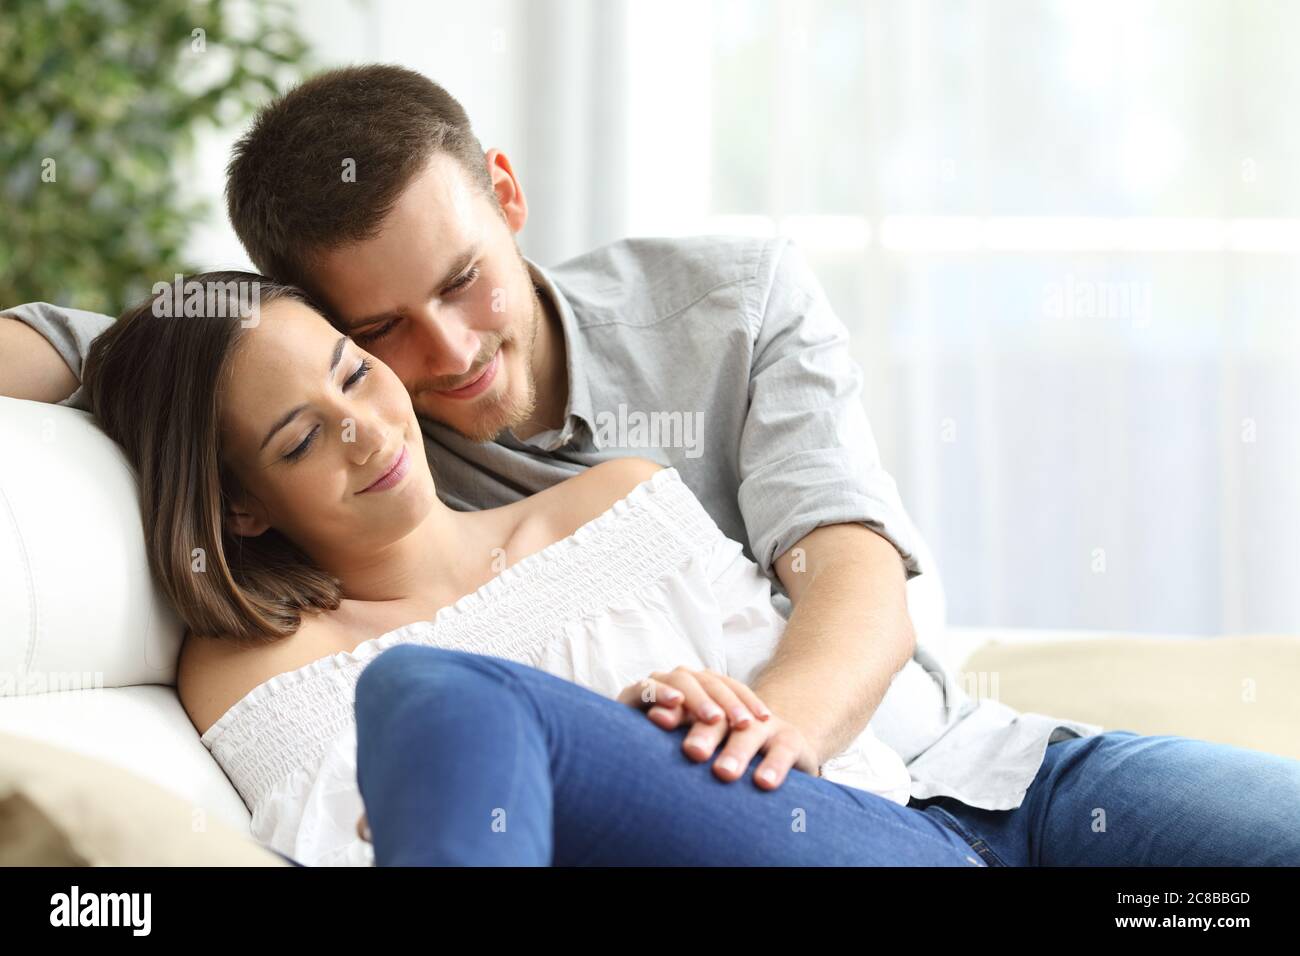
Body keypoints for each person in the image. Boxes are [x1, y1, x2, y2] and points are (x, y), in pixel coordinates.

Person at [4, 65, 1298, 866]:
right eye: (378, 331)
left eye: (465, 283)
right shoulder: (329, 408)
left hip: (992, 769)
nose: (440, 357)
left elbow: (849, 560)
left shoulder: (729, 305)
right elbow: (166, 359)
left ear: (507, 195)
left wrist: (772, 734)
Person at [75, 274, 920, 866]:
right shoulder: (258, 667)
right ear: (240, 509)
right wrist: (601, 764)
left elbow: (851, 775)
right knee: (427, 689)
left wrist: (656, 757)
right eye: (299, 440)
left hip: (872, 840)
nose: (365, 433)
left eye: (357, 374)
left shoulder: (616, 504)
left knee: (432, 691)